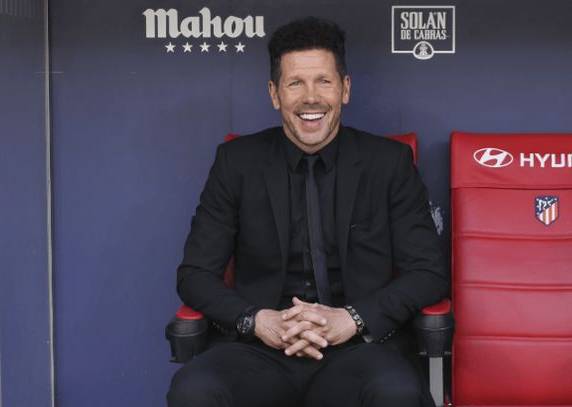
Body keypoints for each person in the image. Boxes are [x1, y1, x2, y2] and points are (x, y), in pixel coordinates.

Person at [167, 16, 447, 407]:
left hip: (361, 348)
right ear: (274, 93)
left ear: (345, 89)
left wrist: (352, 318)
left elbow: (428, 273)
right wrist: (258, 320)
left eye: (324, 81)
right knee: (194, 391)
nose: (310, 97)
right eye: (295, 83)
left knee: (397, 394)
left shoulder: (389, 163)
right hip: (259, 349)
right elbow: (195, 273)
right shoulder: (236, 162)